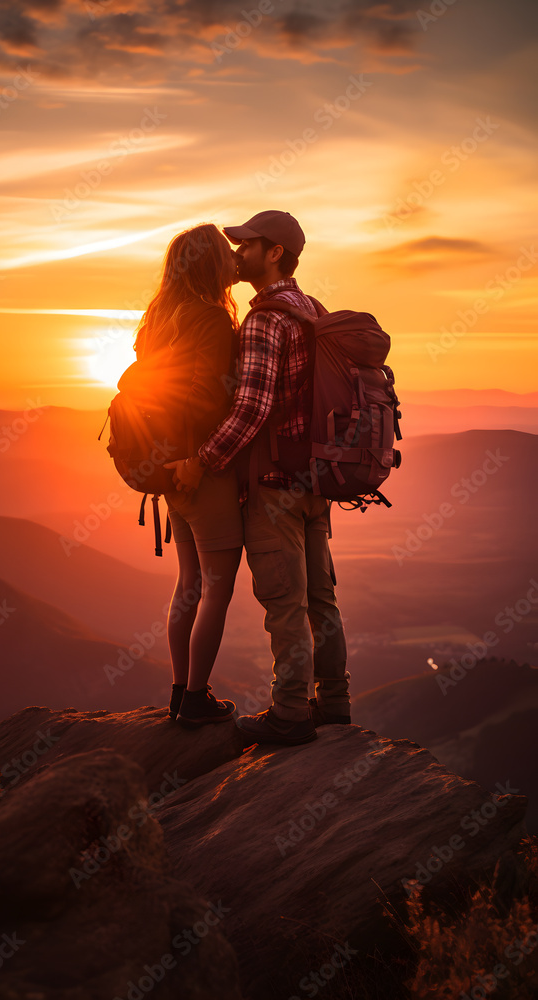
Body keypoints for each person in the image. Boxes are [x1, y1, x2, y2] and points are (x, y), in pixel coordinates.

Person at [168, 211, 350, 746]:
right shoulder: (312, 310)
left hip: (275, 483)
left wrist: (203, 459)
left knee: (283, 602)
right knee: (321, 598)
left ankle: (290, 714)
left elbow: (251, 406)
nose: (238, 251)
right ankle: (334, 704)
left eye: (247, 243)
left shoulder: (264, 320)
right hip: (318, 481)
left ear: (274, 252)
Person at [134, 223, 240, 728]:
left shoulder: (157, 318)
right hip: (201, 470)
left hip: (165, 469)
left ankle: (180, 692)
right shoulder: (211, 319)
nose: (233, 265)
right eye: (225, 257)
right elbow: (207, 399)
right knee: (217, 586)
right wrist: (201, 458)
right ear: (210, 265)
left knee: (189, 583)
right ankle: (196, 699)